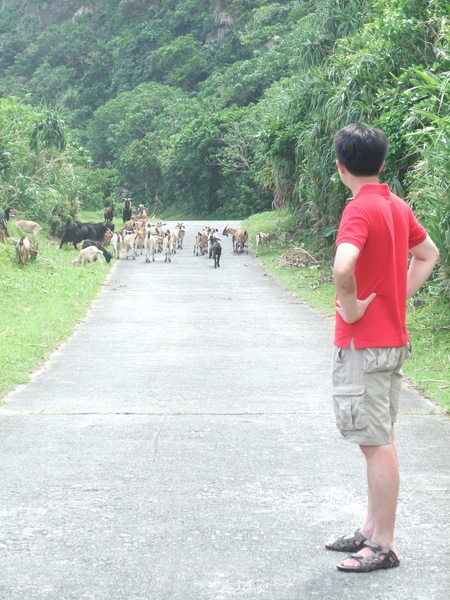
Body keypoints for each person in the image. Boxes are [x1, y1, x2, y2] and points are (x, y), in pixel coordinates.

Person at [326, 124, 439, 573]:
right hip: (390, 343)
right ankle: (371, 530)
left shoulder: (359, 210)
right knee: (380, 438)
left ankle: (383, 544)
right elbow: (429, 253)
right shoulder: (395, 205)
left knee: (375, 444)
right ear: (381, 163)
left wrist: (352, 308)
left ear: (341, 168)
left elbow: (343, 264)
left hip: (365, 346)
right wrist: (398, 295)